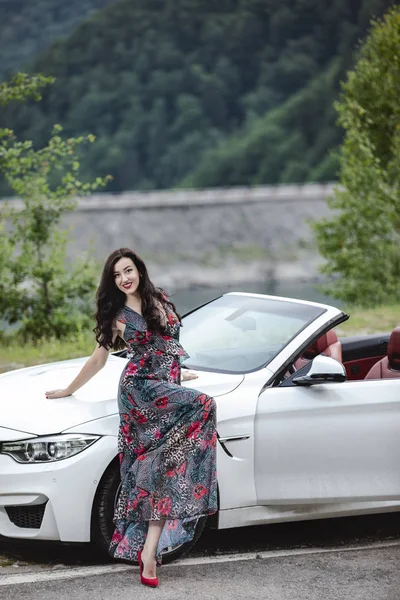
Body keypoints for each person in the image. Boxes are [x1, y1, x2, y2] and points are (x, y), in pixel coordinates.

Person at [46, 248, 218, 587]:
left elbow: (168, 343)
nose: (125, 278)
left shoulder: (160, 299)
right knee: (205, 405)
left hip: (165, 386)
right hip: (139, 391)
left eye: (128, 270)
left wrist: (179, 375)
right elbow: (98, 360)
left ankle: (149, 554)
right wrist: (68, 389)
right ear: (113, 282)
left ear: (139, 270)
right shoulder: (117, 315)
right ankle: (150, 552)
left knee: (162, 472)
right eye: (117, 275)